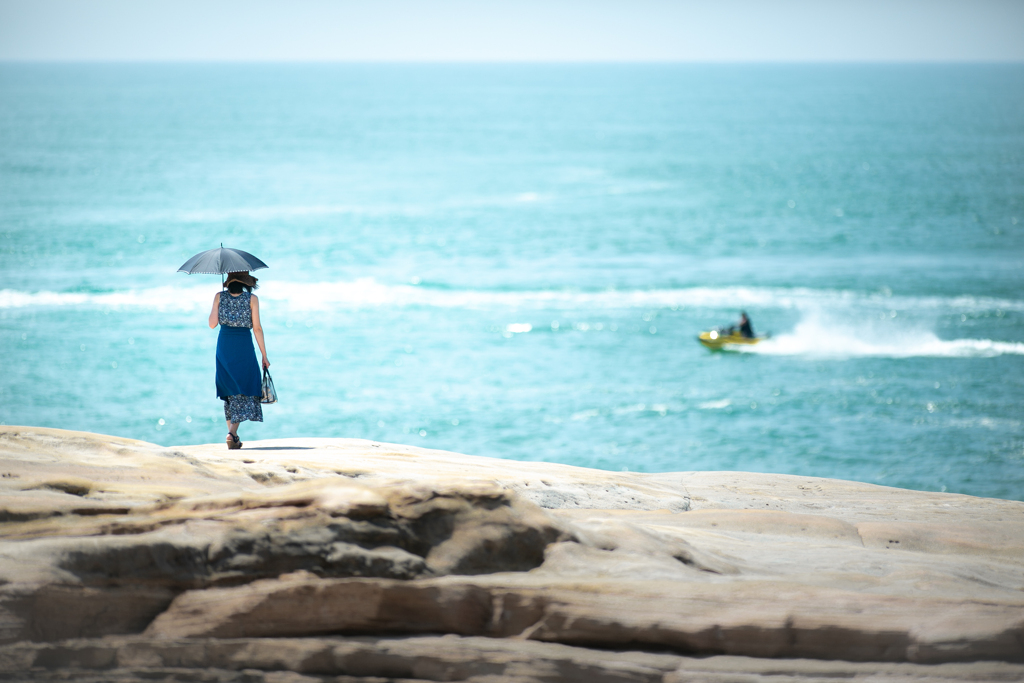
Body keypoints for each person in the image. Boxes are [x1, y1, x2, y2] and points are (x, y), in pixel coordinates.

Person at [208, 271, 269, 449]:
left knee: (229, 389)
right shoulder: (252, 299)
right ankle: (232, 433)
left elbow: (212, 324)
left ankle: (233, 437)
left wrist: (219, 302)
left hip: (224, 347)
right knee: (246, 386)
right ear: (244, 282)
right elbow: (257, 328)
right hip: (244, 346)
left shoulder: (219, 296)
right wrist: (264, 355)